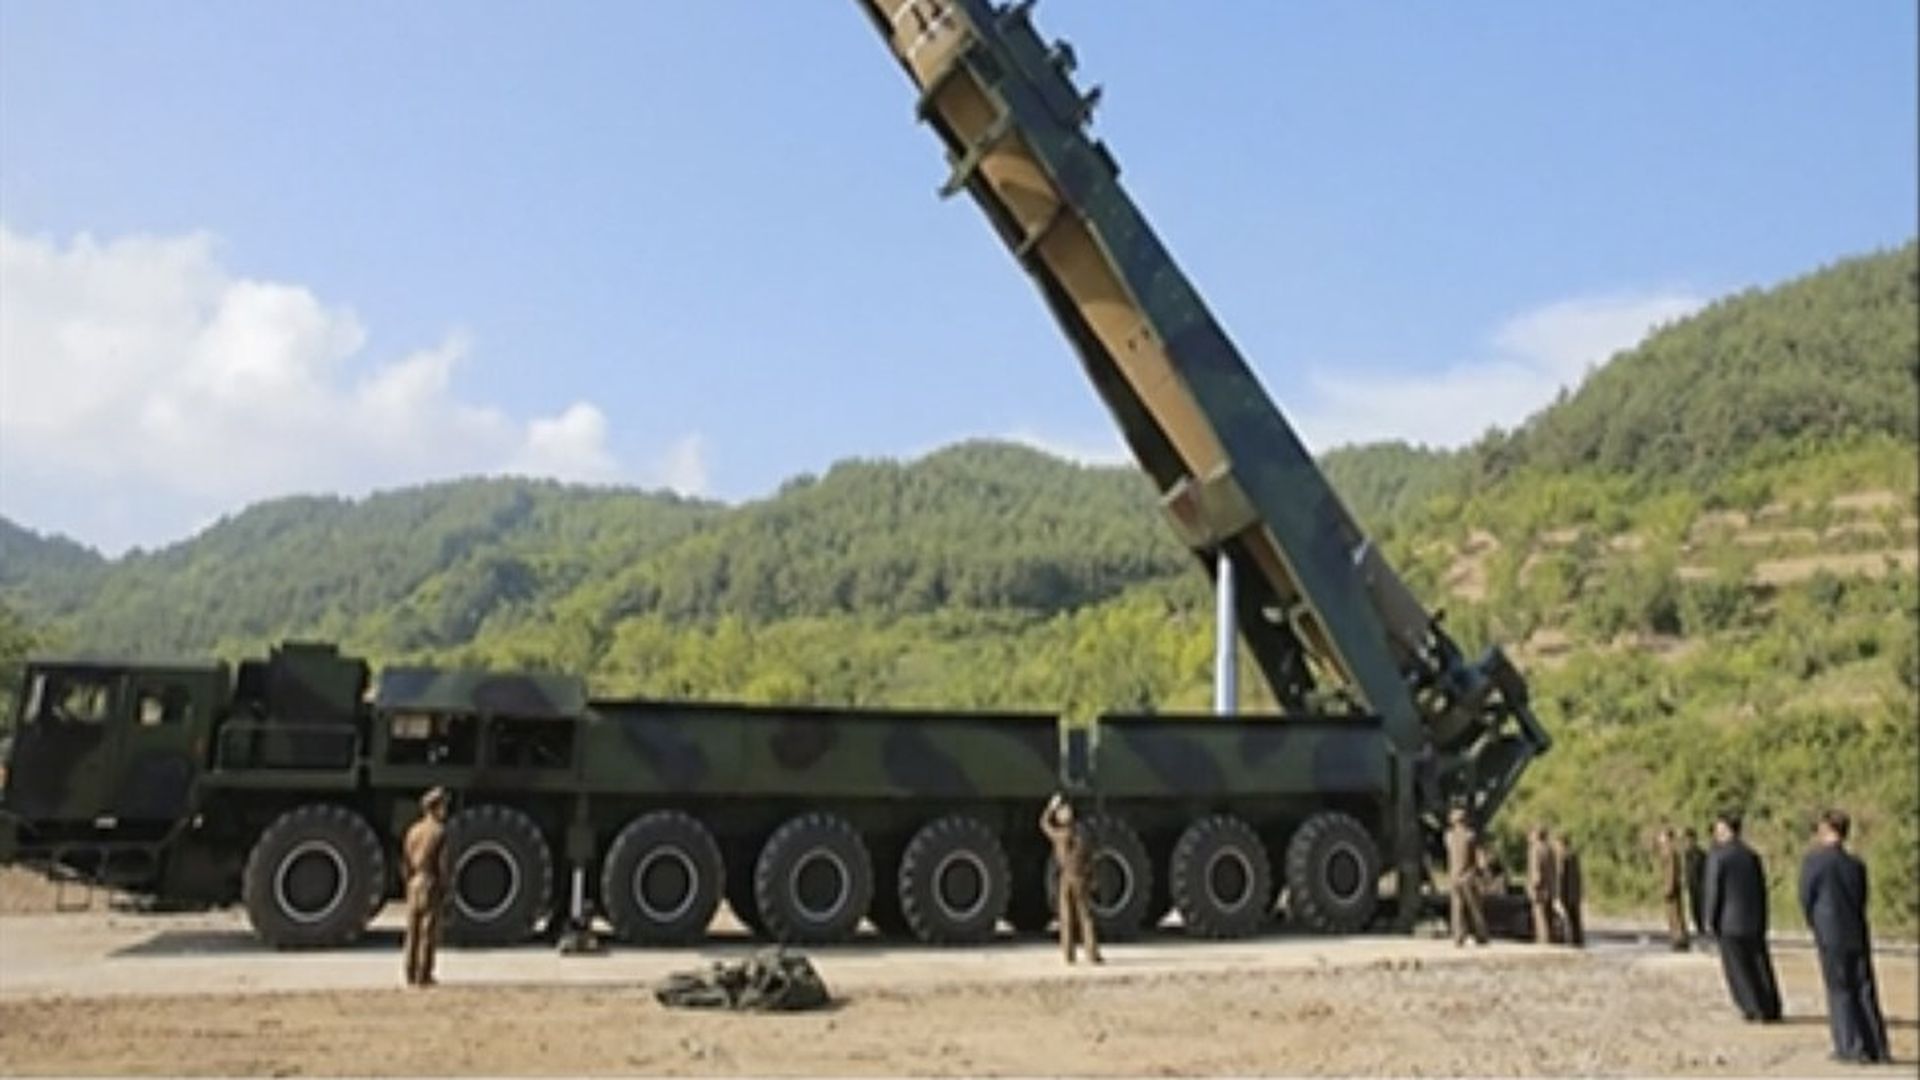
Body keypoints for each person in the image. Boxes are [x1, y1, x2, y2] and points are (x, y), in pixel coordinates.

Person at [1799, 809, 1890, 1064]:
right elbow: (1862, 898)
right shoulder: (1855, 864)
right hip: (1856, 929)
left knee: (1840, 990)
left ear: (1827, 830)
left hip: (1830, 932)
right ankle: (1876, 1046)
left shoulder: (1814, 862)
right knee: (1864, 988)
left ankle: (1850, 1046)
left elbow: (1806, 897)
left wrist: (1814, 923)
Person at [1701, 812, 1781, 1023]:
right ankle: (1770, 1006)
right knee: (1760, 965)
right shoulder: (1751, 856)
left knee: (1738, 969)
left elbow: (1713, 889)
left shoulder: (1718, 856)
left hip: (1728, 921)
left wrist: (1709, 919)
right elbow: (1761, 890)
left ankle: (1751, 1007)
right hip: (1753, 919)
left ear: (1725, 829)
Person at [1040, 793, 1101, 965]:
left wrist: (1051, 807)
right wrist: (1093, 876)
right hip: (1079, 877)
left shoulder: (1059, 835)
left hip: (1065, 877)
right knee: (1085, 916)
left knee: (1066, 917)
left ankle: (1068, 954)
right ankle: (1092, 953)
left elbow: (1044, 824)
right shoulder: (1081, 834)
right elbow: (1090, 857)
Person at [402, 786, 451, 987]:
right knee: (428, 931)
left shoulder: (413, 831)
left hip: (414, 882)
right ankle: (424, 974)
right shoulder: (439, 832)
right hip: (430, 882)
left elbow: (405, 861)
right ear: (436, 808)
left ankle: (409, 972)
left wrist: (409, 881)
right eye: (443, 806)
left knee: (412, 931)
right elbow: (443, 864)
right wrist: (446, 887)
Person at [1445, 807, 1488, 946]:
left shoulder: (1448, 837)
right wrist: (1483, 872)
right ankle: (1481, 935)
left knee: (1457, 908)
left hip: (1454, 875)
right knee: (1474, 907)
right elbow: (1479, 856)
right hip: (1468, 875)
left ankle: (1458, 936)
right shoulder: (1470, 836)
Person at [1657, 828, 1691, 951]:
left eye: (1661, 835)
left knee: (1674, 915)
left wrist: (1669, 887)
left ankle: (1679, 940)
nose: (1659, 838)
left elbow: (1671, 871)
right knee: (1675, 914)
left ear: (1667, 837)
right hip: (1672, 885)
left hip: (1671, 886)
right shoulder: (1668, 850)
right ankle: (1680, 939)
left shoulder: (1669, 850)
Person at [1551, 831, 1584, 948]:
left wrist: (1557, 895)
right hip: (1575, 892)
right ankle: (1578, 940)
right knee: (1576, 918)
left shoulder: (1561, 856)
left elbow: (1560, 876)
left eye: (1555, 843)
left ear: (1560, 843)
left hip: (1566, 893)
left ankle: (1570, 940)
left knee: (1567, 918)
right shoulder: (1574, 855)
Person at [1526, 826, 1558, 944]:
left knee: (1539, 914)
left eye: (1531, 834)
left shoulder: (1535, 849)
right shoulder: (1550, 849)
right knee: (1548, 914)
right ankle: (1550, 936)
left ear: (1536, 835)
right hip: (1549, 886)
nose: (1529, 837)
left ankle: (1543, 939)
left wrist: (1534, 885)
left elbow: (1536, 869)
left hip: (1539, 888)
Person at [1683, 827, 1708, 938]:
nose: (1688, 842)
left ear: (1694, 839)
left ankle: (1701, 927)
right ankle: (1698, 926)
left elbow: (1705, 869)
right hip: (1691, 884)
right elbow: (1687, 870)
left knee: (1701, 907)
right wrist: (1686, 881)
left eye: (1689, 839)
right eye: (1686, 840)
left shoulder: (1701, 854)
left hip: (1700, 884)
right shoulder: (1687, 854)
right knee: (1693, 907)